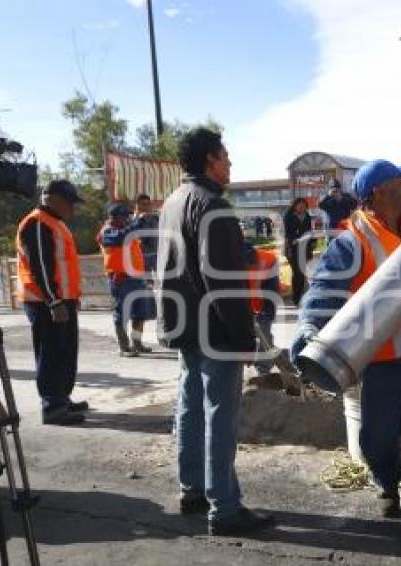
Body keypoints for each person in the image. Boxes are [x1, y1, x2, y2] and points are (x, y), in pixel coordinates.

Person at [291, 159, 401, 558]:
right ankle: (387, 480)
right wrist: (311, 334)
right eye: (400, 181)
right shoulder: (353, 242)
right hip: (387, 361)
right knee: (377, 440)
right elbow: (321, 292)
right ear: (382, 192)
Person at [155, 127, 275, 535]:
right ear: (210, 158)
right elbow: (222, 281)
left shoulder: (173, 202)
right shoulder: (213, 206)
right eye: (225, 155)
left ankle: (193, 491)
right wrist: (243, 339)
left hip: (184, 326)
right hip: (215, 331)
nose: (230, 163)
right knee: (220, 417)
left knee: (189, 408)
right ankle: (223, 509)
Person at [16, 180, 87, 425]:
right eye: (69, 203)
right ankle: (53, 406)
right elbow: (41, 268)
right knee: (52, 353)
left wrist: (69, 298)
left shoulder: (55, 223)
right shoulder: (37, 223)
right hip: (46, 303)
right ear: (52, 199)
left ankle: (61, 398)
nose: (71, 209)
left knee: (65, 352)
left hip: (62, 301)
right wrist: (54, 301)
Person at [97, 203, 154, 356]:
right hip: (121, 279)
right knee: (122, 314)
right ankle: (124, 347)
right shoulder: (107, 232)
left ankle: (137, 343)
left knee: (139, 313)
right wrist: (138, 221)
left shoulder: (127, 230)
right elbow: (122, 238)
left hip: (136, 278)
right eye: (125, 216)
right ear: (114, 217)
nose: (127, 219)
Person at [244, 241, 280, 375]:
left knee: (264, 332)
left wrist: (266, 314)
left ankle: (264, 370)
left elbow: (272, 292)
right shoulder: (227, 260)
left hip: (261, 305)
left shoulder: (268, 260)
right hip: (238, 305)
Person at [283, 197, 315, 305]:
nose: (302, 207)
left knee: (302, 274)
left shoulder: (308, 217)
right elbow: (286, 233)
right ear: (295, 206)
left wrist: (312, 241)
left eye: (304, 205)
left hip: (305, 249)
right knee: (297, 274)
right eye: (299, 205)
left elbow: (311, 231)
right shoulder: (289, 217)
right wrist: (293, 240)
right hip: (293, 249)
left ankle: (298, 296)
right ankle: (296, 297)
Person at [133, 193, 160, 271]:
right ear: (136, 205)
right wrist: (138, 219)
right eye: (143, 204)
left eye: (148, 204)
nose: (146, 207)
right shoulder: (129, 221)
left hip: (156, 258)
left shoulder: (155, 218)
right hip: (139, 259)